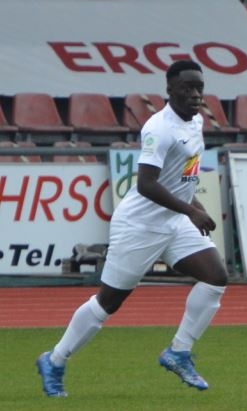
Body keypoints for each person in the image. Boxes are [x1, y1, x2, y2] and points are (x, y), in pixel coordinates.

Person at [36, 60, 228, 398]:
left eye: (199, 87)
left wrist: (193, 207)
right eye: (187, 88)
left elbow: (185, 173)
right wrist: (190, 211)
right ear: (169, 90)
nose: (196, 94)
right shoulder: (159, 128)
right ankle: (55, 359)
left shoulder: (196, 121)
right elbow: (147, 184)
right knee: (108, 303)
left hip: (173, 220)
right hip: (139, 225)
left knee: (215, 276)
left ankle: (179, 352)